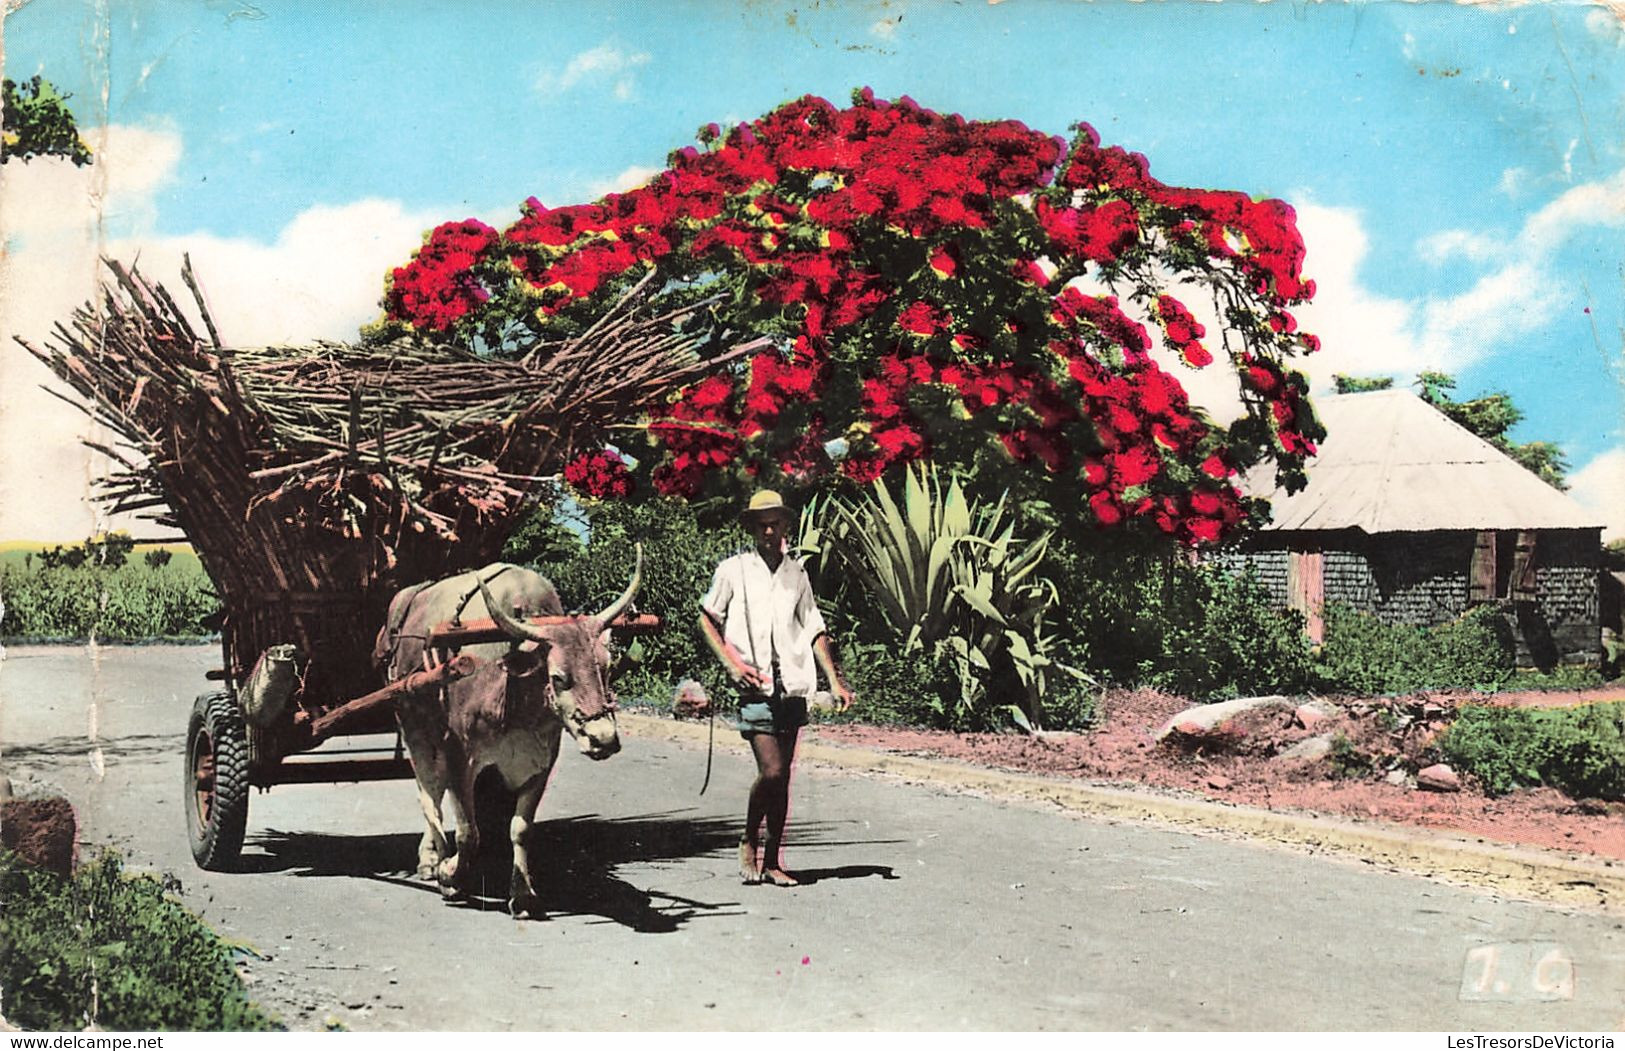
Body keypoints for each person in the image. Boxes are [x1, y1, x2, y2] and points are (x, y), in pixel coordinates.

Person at [698, 489, 854, 887]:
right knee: (771, 771)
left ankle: (773, 861)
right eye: (762, 524)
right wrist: (733, 665)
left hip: (793, 687)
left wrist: (834, 681)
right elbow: (706, 619)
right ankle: (748, 838)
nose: (770, 531)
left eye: (776, 523)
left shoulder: (796, 574)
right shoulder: (733, 570)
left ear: (786, 526)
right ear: (752, 528)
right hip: (755, 685)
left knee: (783, 778)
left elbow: (815, 627)